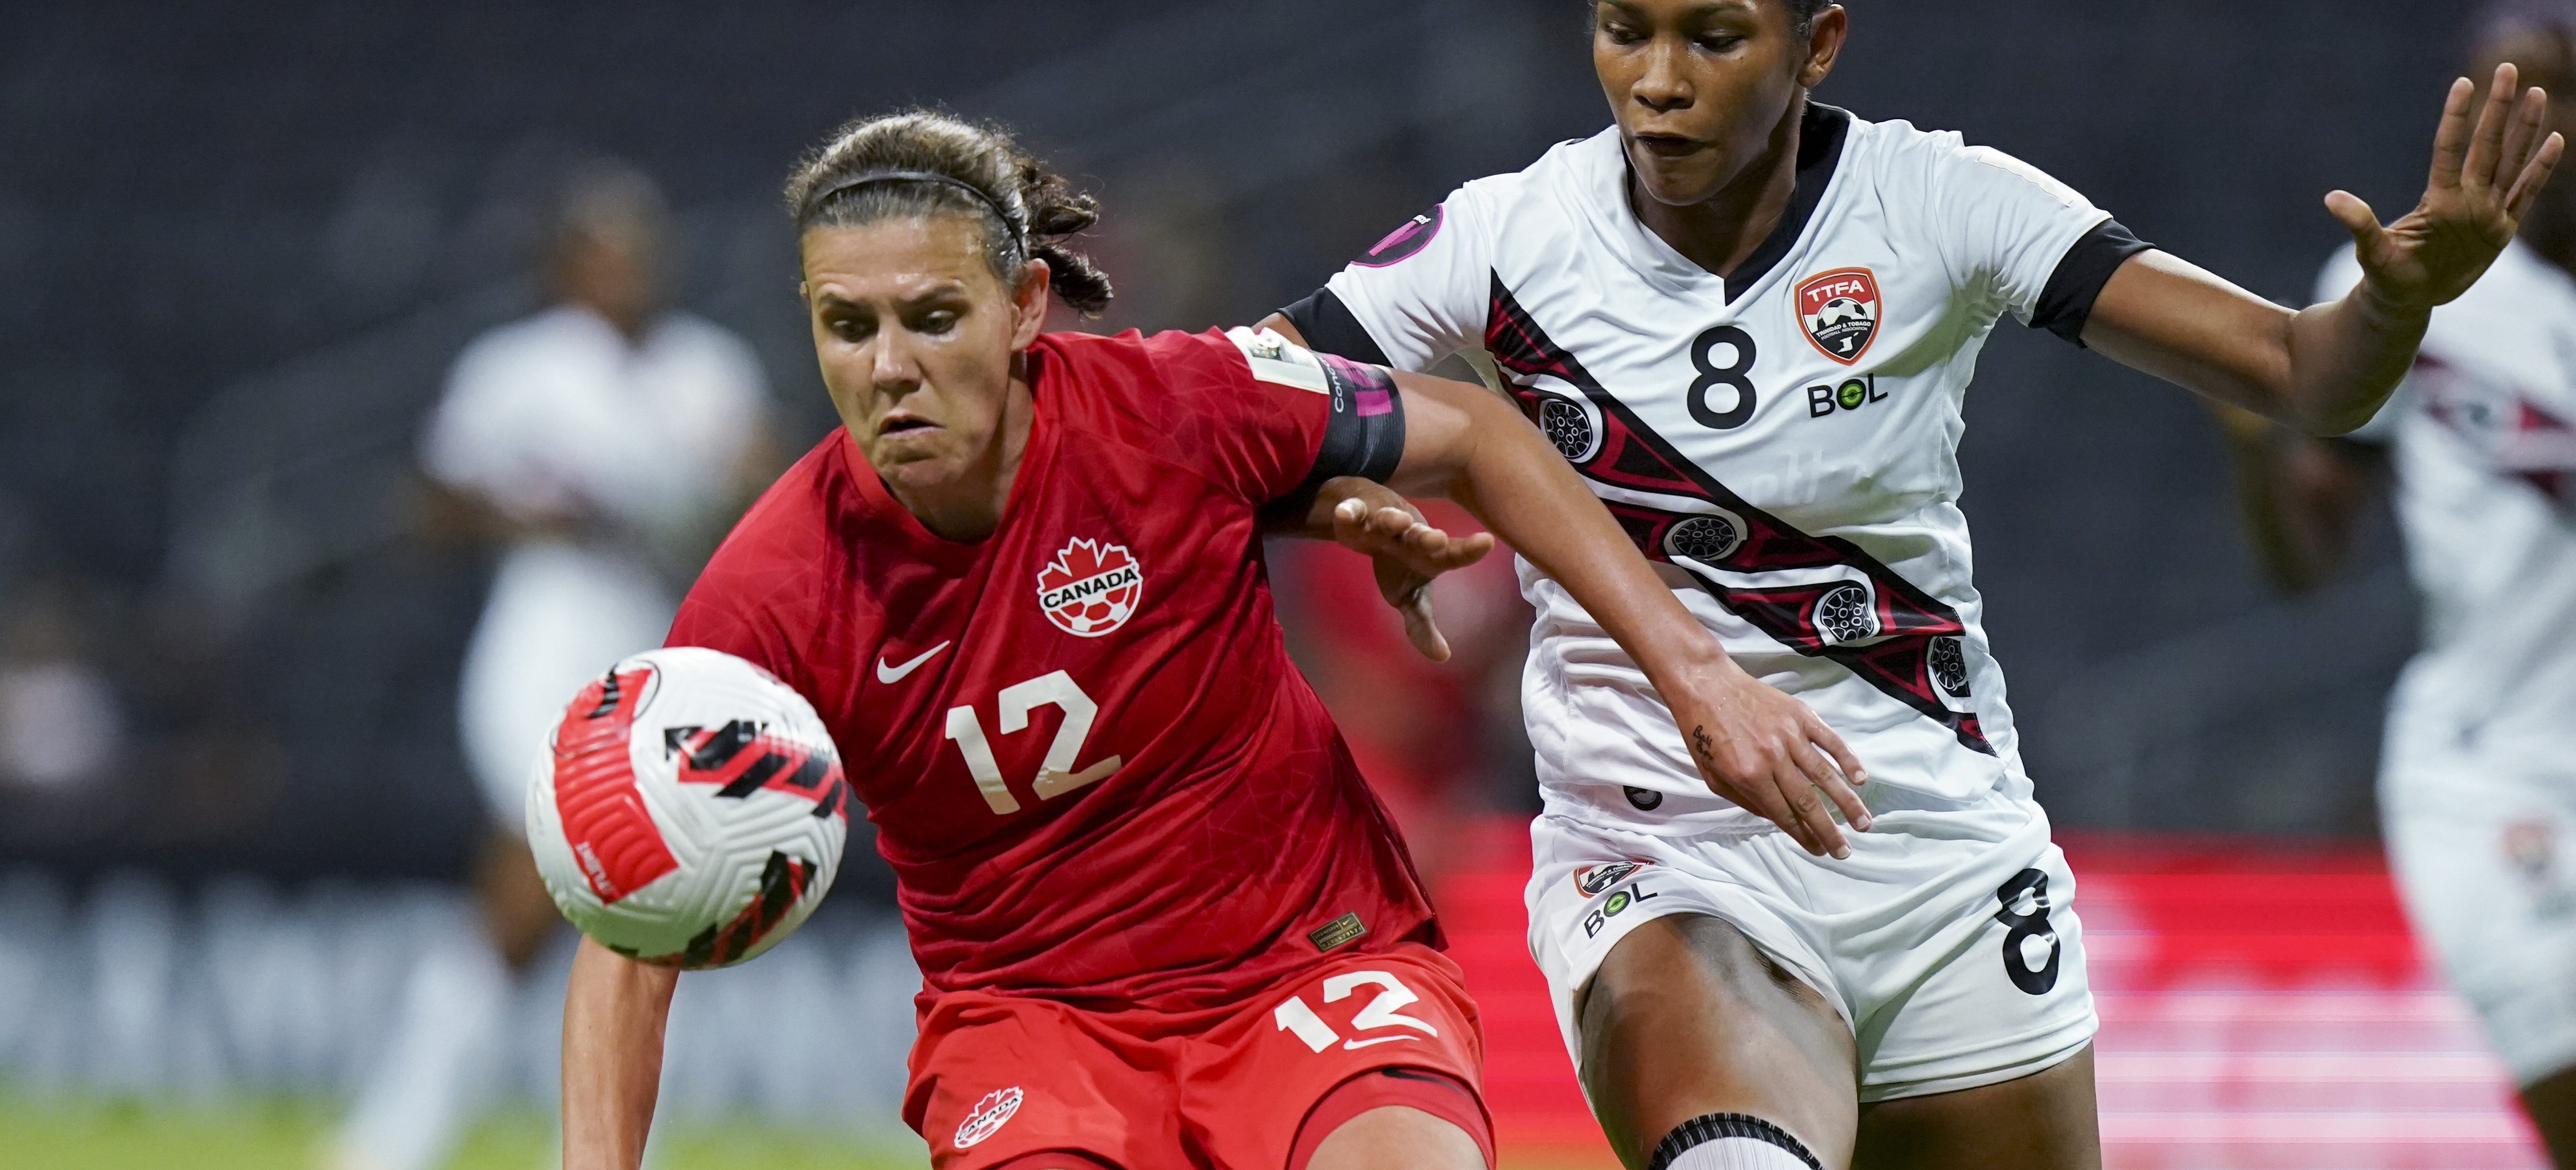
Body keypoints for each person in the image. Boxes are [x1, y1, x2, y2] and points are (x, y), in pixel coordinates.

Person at [1255, 0, 2562, 1170]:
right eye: (1621, 30)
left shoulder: (1939, 204)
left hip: (1936, 852)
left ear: (1815, 41)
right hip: (1667, 854)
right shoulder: (1503, 238)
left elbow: (2298, 370)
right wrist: (1337, 500)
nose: (1655, 83)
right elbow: (1218, 420)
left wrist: (2395, 300)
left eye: (1713, 37)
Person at [556, 110, 1868, 1170]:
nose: (888, 364)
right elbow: (636, 912)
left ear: (1022, 305)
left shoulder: (1176, 404)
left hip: (1305, 958)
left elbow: (1473, 432)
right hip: (1032, 1024)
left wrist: (1693, 672)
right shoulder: (774, 588)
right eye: (849, 326)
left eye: (932, 317)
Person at [329, 161, 775, 1170]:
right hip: (543, 638)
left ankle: (549, 1140)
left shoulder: (706, 367)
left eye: (640, 247)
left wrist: (718, 493)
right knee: (547, 868)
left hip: (658, 652)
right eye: (605, 247)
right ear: (564, 262)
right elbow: (427, 504)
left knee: (628, 901)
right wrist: (520, 510)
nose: (628, 267)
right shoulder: (518, 368)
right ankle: (401, 1133)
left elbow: (766, 481)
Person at [2218, 0, 2576, 1168]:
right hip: (2496, 786)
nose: (2535, 127)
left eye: (2560, 95)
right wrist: (2256, 449)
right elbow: (2305, 558)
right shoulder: (2410, 292)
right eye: (2501, 96)